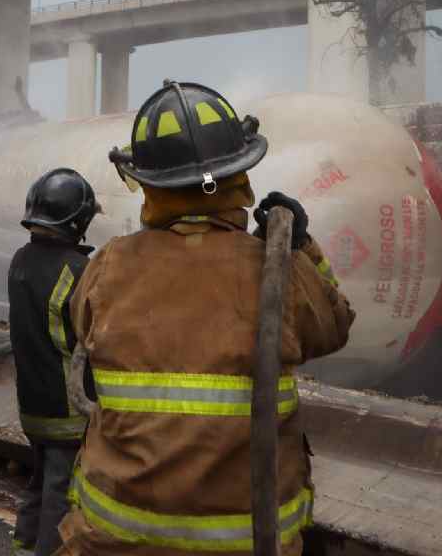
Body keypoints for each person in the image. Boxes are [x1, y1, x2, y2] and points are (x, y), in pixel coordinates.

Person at [59, 80, 355, 556]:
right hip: (248, 542)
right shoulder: (275, 268)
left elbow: (82, 329)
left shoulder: (107, 265)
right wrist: (300, 247)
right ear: (239, 174)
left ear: (150, 185)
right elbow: (334, 327)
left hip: (113, 539)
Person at [9, 168, 100, 556]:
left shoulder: (21, 260)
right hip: (68, 411)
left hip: (32, 406)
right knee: (61, 495)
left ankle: (23, 548)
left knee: (39, 482)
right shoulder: (77, 270)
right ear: (77, 222)